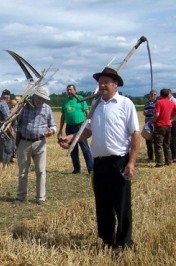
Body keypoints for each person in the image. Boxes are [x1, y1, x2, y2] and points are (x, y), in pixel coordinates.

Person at [58, 67, 140, 250]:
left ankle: (125, 242)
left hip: (119, 161)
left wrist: (132, 162)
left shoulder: (126, 104)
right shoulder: (95, 106)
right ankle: (107, 240)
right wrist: (72, 138)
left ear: (115, 84)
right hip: (100, 163)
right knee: (102, 204)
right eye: (100, 82)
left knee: (122, 204)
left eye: (105, 82)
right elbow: (87, 130)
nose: (102, 85)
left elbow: (135, 134)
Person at [14, 85, 56, 205]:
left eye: (43, 99)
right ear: (34, 95)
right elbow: (16, 124)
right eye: (39, 98)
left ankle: (40, 198)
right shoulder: (24, 107)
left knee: (41, 171)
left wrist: (52, 131)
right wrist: (16, 144)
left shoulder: (47, 109)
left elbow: (53, 125)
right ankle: (21, 196)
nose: (40, 101)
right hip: (24, 142)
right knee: (23, 171)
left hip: (40, 143)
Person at [58, 84, 93, 174]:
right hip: (69, 127)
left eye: (70, 90)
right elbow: (63, 116)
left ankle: (91, 169)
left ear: (75, 90)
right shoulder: (65, 102)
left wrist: (88, 124)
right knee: (72, 149)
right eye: (68, 90)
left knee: (85, 148)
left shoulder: (80, 99)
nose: (69, 91)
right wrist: (60, 129)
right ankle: (77, 169)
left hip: (80, 127)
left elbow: (87, 111)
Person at [150, 88, 176, 167]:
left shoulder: (159, 102)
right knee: (167, 144)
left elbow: (157, 114)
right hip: (168, 125)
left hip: (160, 126)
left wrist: (151, 121)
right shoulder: (171, 103)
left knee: (158, 145)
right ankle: (168, 161)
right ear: (168, 94)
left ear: (160, 95)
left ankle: (160, 163)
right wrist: (171, 120)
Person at [0, 89, 12, 170]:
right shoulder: (4, 105)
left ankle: (1, 163)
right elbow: (8, 118)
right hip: (4, 130)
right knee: (6, 147)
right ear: (7, 97)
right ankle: (3, 165)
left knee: (0, 147)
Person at [142, 89, 157, 161]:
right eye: (151, 94)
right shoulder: (147, 103)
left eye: (154, 94)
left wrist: (150, 111)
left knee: (156, 141)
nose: (153, 96)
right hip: (147, 124)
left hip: (155, 124)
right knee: (148, 141)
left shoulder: (158, 103)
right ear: (149, 95)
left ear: (156, 95)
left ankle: (157, 157)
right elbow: (144, 112)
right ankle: (150, 157)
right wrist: (144, 112)